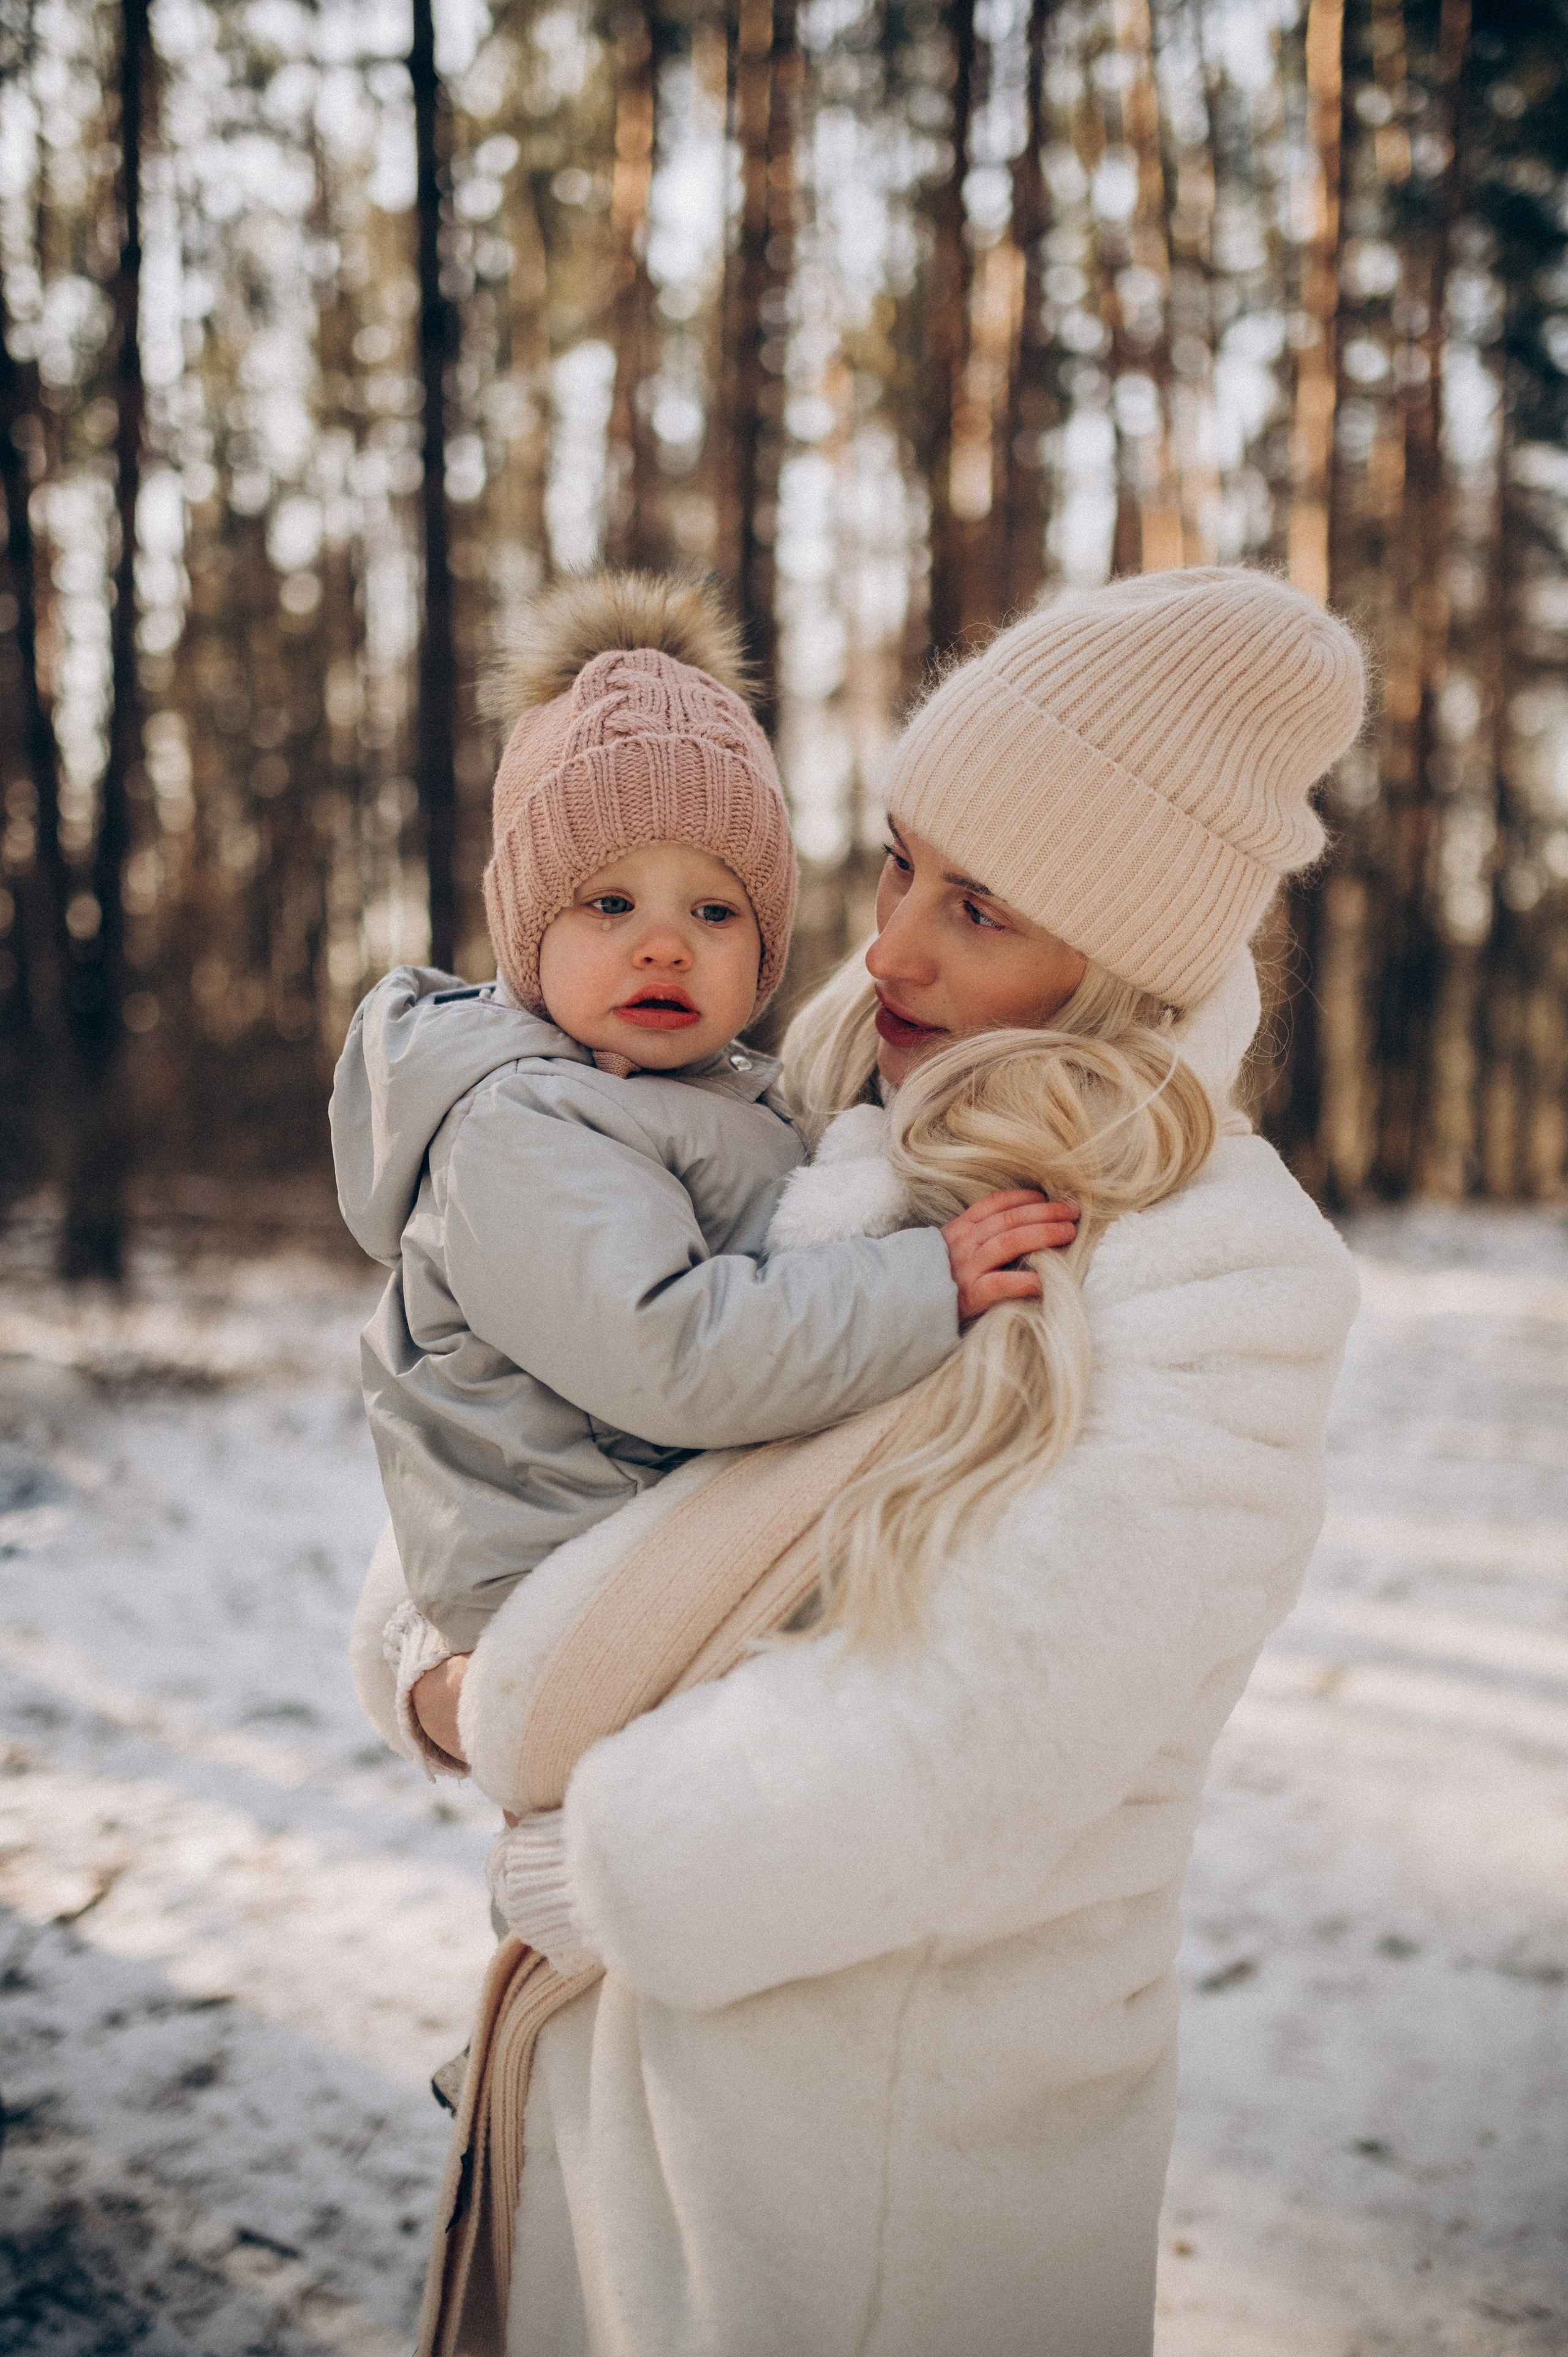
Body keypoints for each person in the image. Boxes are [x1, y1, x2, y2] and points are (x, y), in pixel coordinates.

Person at [356, 564, 1366, 2357]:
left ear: (1116, 962)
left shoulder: (1221, 1274)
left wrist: (613, 1858)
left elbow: (983, 1731)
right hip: (611, 2119)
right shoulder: (807, 1095)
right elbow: (509, 1425)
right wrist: (444, 1674)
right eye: (899, 862)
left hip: (882, 2181)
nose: (888, 946)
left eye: (978, 907)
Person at [330, 571, 1072, 1773]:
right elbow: (671, 1353)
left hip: (637, 1552)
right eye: (609, 901)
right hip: (564, 1582)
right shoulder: (521, 1127)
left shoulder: (714, 1091)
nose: (664, 941)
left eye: (716, 910)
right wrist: (921, 1282)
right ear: (528, 934)